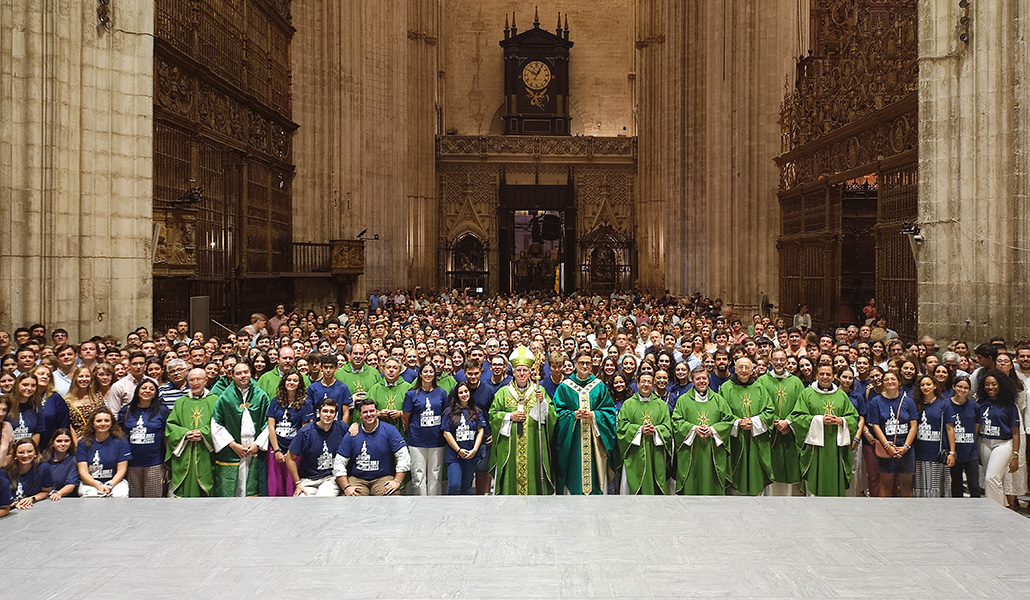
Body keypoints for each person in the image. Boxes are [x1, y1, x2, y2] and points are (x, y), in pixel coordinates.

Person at [489, 346, 557, 495]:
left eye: (525, 370)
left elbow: (551, 416)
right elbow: (493, 416)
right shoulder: (503, 393)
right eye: (518, 370)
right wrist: (509, 416)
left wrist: (542, 403)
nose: (521, 374)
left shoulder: (539, 391)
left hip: (533, 445)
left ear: (531, 372)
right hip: (510, 447)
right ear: (513, 372)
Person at [552, 351, 617, 495]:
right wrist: (573, 415)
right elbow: (556, 413)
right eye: (581, 363)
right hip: (572, 442)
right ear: (575, 364)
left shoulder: (599, 386)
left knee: (595, 477)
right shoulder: (564, 387)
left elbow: (609, 412)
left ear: (592, 365)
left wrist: (594, 415)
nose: (585, 366)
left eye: (588, 363)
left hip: (595, 442)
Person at [790, 364, 860, 496]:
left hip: (835, 448)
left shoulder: (841, 395)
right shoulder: (807, 393)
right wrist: (818, 420)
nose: (825, 377)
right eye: (822, 374)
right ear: (816, 375)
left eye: (828, 374)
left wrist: (841, 421)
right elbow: (797, 418)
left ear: (834, 377)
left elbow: (853, 418)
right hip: (815, 449)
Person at [211, 362, 271, 497]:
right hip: (232, 448)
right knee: (232, 488)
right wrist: (232, 445)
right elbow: (216, 424)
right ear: (232, 376)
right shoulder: (225, 398)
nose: (243, 376)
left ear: (250, 373)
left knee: (252, 486)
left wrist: (257, 444)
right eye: (238, 373)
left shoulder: (261, 396)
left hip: (254, 447)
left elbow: (268, 423)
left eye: (246, 372)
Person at [672, 367, 734, 495]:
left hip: (712, 450)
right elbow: (676, 421)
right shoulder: (683, 400)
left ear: (708, 380)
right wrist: (694, 429)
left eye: (704, 378)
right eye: (698, 379)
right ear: (692, 380)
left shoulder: (718, 400)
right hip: (692, 451)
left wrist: (713, 430)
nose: (701, 381)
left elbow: (728, 420)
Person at [720, 357, 774, 495]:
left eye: (747, 368)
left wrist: (754, 422)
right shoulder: (726, 388)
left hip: (756, 439)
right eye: (740, 367)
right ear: (735, 369)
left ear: (752, 370)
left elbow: (769, 411)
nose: (743, 370)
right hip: (735, 440)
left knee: (755, 469)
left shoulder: (760, 388)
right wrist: (738, 422)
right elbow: (721, 413)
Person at [334, 399, 410, 496]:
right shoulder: (352, 433)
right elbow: (339, 462)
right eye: (365, 412)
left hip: (383, 478)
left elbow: (403, 456)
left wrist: (397, 481)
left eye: (372, 411)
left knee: (391, 494)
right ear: (360, 415)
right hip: (357, 479)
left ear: (377, 412)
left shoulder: (389, 430)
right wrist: (346, 487)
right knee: (350, 497)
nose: (369, 414)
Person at [756, 348, 805, 495]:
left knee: (790, 466)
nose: (779, 362)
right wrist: (775, 422)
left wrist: (788, 422)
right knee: (771, 466)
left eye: (782, 359)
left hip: (790, 432)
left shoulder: (796, 382)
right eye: (775, 359)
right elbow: (759, 405)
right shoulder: (762, 381)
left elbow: (801, 406)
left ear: (786, 361)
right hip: (770, 433)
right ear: (770, 361)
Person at [616, 372, 672, 495]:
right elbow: (622, 428)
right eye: (643, 381)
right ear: (637, 384)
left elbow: (668, 428)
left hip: (655, 454)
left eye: (649, 382)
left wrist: (656, 430)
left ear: (653, 385)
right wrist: (639, 430)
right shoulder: (628, 404)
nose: (646, 384)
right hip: (635, 455)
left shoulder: (661, 405)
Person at [165, 368, 217, 497]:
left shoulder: (215, 400)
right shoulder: (181, 402)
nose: (195, 383)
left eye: (198, 379)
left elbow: (220, 424)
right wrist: (185, 434)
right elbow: (171, 425)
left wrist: (203, 433)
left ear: (205, 380)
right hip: (184, 452)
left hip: (206, 454)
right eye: (191, 380)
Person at [867, 371, 918, 497]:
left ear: (899, 382)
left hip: (905, 448)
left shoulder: (908, 402)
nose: (890, 382)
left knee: (906, 484)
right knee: (886, 484)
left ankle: (907, 508)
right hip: (886, 447)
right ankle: (884, 509)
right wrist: (887, 446)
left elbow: (913, 426)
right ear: (883, 383)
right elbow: (875, 425)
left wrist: (905, 447)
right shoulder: (876, 402)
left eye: (893, 379)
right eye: (886, 380)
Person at [976, 370, 1022, 507]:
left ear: (1001, 385)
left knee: (991, 478)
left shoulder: (1009, 405)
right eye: (987, 384)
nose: (990, 387)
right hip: (984, 442)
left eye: (994, 384)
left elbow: (1015, 432)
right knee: (994, 480)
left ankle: (993, 511)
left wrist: (1015, 455)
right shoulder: (980, 403)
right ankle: (1003, 508)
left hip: (1003, 444)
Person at [402, 363, 448, 495]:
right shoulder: (411, 394)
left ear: (435, 374)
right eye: (425, 372)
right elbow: (406, 417)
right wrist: (411, 431)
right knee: (418, 475)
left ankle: (433, 503)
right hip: (417, 440)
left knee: (435, 475)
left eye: (431, 372)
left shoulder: (441, 393)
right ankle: (420, 502)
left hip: (436, 440)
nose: (428, 374)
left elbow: (445, 414)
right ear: (420, 374)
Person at [286, 397, 346, 496]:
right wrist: (297, 483)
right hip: (308, 479)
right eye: (325, 411)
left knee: (323, 498)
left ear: (335, 414)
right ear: (319, 412)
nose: (328, 415)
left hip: (330, 478)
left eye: (332, 412)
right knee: (301, 500)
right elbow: (290, 458)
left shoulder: (342, 428)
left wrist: (355, 426)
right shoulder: (305, 432)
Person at [121, 379, 169, 497]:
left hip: (155, 463)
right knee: (134, 500)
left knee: (153, 499)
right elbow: (120, 436)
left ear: (155, 393)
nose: (147, 391)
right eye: (144, 388)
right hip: (131, 463)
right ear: (138, 391)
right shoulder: (126, 410)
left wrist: (168, 461)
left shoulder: (162, 410)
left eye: (151, 389)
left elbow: (166, 437)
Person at [912, 375, 956, 498]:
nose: (925, 387)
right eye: (922, 385)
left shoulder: (944, 404)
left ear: (935, 386)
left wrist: (952, 452)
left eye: (928, 384)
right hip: (920, 453)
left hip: (937, 453)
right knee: (921, 487)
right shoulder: (915, 404)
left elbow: (950, 429)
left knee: (937, 489)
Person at [266, 372, 307, 497]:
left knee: (291, 486)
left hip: (294, 450)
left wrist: (291, 452)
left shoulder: (305, 403)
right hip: (276, 448)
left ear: (299, 384)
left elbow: (304, 430)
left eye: (295, 380)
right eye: (289, 380)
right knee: (275, 486)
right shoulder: (275, 402)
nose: (291, 383)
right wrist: (277, 450)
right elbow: (271, 427)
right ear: (284, 382)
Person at [75, 407, 131, 498]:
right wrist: (97, 485)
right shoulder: (83, 443)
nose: (103, 424)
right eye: (99, 421)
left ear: (111, 423)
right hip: (91, 482)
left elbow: (122, 470)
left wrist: (110, 485)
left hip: (114, 481)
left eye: (106, 420)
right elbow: (83, 471)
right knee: (91, 495)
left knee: (120, 494)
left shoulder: (121, 441)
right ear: (93, 423)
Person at [441, 382, 485, 495]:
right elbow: (446, 432)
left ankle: (466, 507)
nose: (464, 394)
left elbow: (480, 431)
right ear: (456, 395)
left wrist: (474, 450)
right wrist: (458, 450)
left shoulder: (476, 411)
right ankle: (452, 506)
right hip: (455, 454)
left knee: (467, 486)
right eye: (461, 392)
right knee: (454, 485)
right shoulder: (449, 412)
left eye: (466, 391)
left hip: (471, 453)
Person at [948, 376, 980, 498]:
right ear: (953, 387)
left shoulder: (975, 406)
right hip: (954, 451)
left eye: (966, 388)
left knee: (974, 485)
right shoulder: (946, 404)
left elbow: (976, 428)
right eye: (960, 387)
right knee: (956, 485)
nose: (962, 390)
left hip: (971, 451)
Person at [6, 438, 52, 509]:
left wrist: (32, 498)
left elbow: (45, 492)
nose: (25, 455)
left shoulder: (44, 468)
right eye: (21, 452)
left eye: (29, 451)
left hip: (32, 507)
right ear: (15, 454)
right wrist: (14, 504)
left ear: (35, 453)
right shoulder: (7, 470)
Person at [306, 354, 353, 424]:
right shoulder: (312, 388)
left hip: (336, 427)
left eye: (331, 367)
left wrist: (342, 428)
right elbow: (310, 413)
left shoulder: (343, 388)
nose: (328, 370)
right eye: (326, 367)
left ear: (336, 368)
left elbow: (345, 413)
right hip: (318, 426)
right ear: (321, 368)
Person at [44, 429, 79, 500]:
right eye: (59, 441)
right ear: (52, 443)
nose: (63, 444)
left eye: (66, 441)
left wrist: (58, 493)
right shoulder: (44, 460)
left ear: (71, 443)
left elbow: (70, 485)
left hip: (63, 498)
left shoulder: (74, 461)